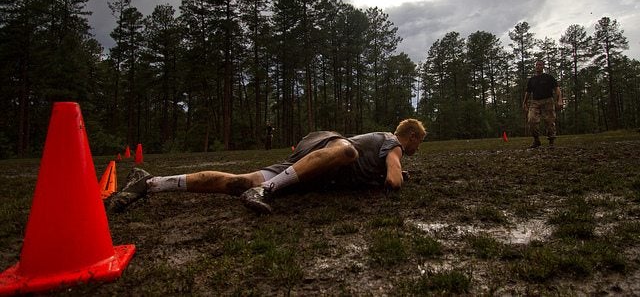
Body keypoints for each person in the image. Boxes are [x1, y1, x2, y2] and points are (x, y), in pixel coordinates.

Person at [105, 118, 427, 214]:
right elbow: (394, 181)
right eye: (418, 143)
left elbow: (380, 175)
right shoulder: (393, 142)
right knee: (347, 151)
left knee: (238, 182)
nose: (416, 149)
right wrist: (397, 175)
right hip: (327, 146)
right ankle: (266, 189)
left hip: (308, 166)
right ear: (409, 136)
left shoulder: (381, 149)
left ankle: (148, 183)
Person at [522, 59, 563, 148]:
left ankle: (551, 141)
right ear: (535, 67)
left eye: (540, 65)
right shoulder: (532, 80)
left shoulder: (548, 77)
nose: (538, 66)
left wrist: (560, 100)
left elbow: (557, 89)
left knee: (549, 121)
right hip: (535, 102)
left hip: (548, 100)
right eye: (537, 65)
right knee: (531, 120)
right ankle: (536, 140)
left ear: (543, 66)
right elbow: (528, 92)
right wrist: (524, 103)